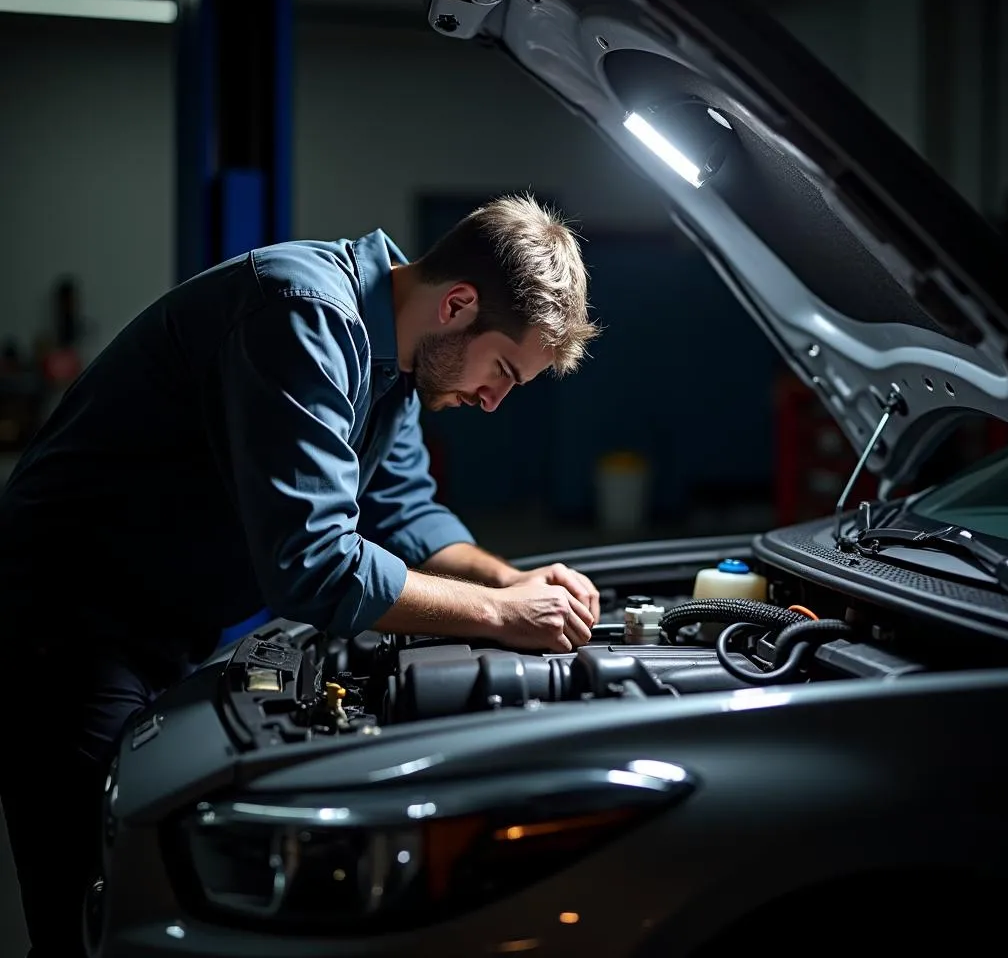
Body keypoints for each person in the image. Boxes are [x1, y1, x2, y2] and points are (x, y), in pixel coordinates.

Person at [0, 192, 601, 957]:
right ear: (458, 304)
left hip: (165, 621)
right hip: (70, 623)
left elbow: (406, 514)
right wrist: (497, 618)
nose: (492, 401)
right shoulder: (301, 313)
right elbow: (315, 565)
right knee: (100, 906)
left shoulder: (398, 362)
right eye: (505, 372)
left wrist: (510, 583)